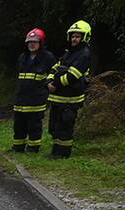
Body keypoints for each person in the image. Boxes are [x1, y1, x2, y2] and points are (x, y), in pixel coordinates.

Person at [46, 20, 93, 158]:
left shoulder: (84, 54)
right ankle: (55, 151)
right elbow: (55, 67)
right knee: (54, 127)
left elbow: (73, 76)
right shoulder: (69, 53)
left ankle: (63, 154)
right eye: (73, 36)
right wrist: (48, 81)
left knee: (65, 128)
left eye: (78, 36)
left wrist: (55, 84)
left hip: (70, 100)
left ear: (85, 37)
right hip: (57, 98)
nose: (74, 39)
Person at [12, 28, 56, 153]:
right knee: (19, 125)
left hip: (37, 97)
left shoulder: (47, 57)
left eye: (35, 42)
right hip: (21, 97)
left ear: (40, 43)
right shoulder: (22, 57)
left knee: (34, 125)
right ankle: (18, 147)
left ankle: (33, 148)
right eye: (29, 42)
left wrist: (49, 84)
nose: (31, 44)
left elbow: (53, 73)